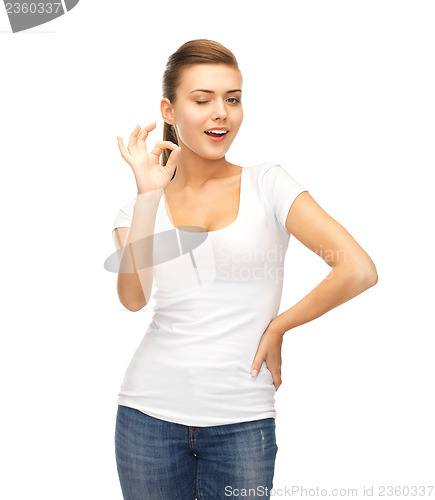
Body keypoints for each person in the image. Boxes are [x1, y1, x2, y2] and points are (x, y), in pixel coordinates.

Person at [111, 39, 378, 500]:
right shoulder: (137, 208)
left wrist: (279, 326)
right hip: (146, 419)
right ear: (168, 111)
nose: (222, 112)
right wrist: (148, 196)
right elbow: (133, 298)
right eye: (202, 100)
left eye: (232, 99)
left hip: (241, 424)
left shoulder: (267, 184)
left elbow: (356, 268)